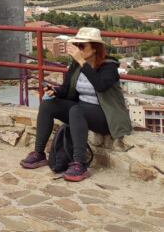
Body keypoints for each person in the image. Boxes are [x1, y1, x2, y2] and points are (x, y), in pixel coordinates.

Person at [20, 27, 132, 182]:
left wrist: (82, 61)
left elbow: (100, 85)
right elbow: (67, 89)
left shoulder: (109, 66)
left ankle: (80, 163)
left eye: (82, 46)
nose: (78, 50)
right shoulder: (76, 65)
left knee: (77, 110)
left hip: (106, 115)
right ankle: (39, 154)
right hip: (81, 111)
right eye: (77, 45)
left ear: (95, 47)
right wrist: (56, 91)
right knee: (48, 104)